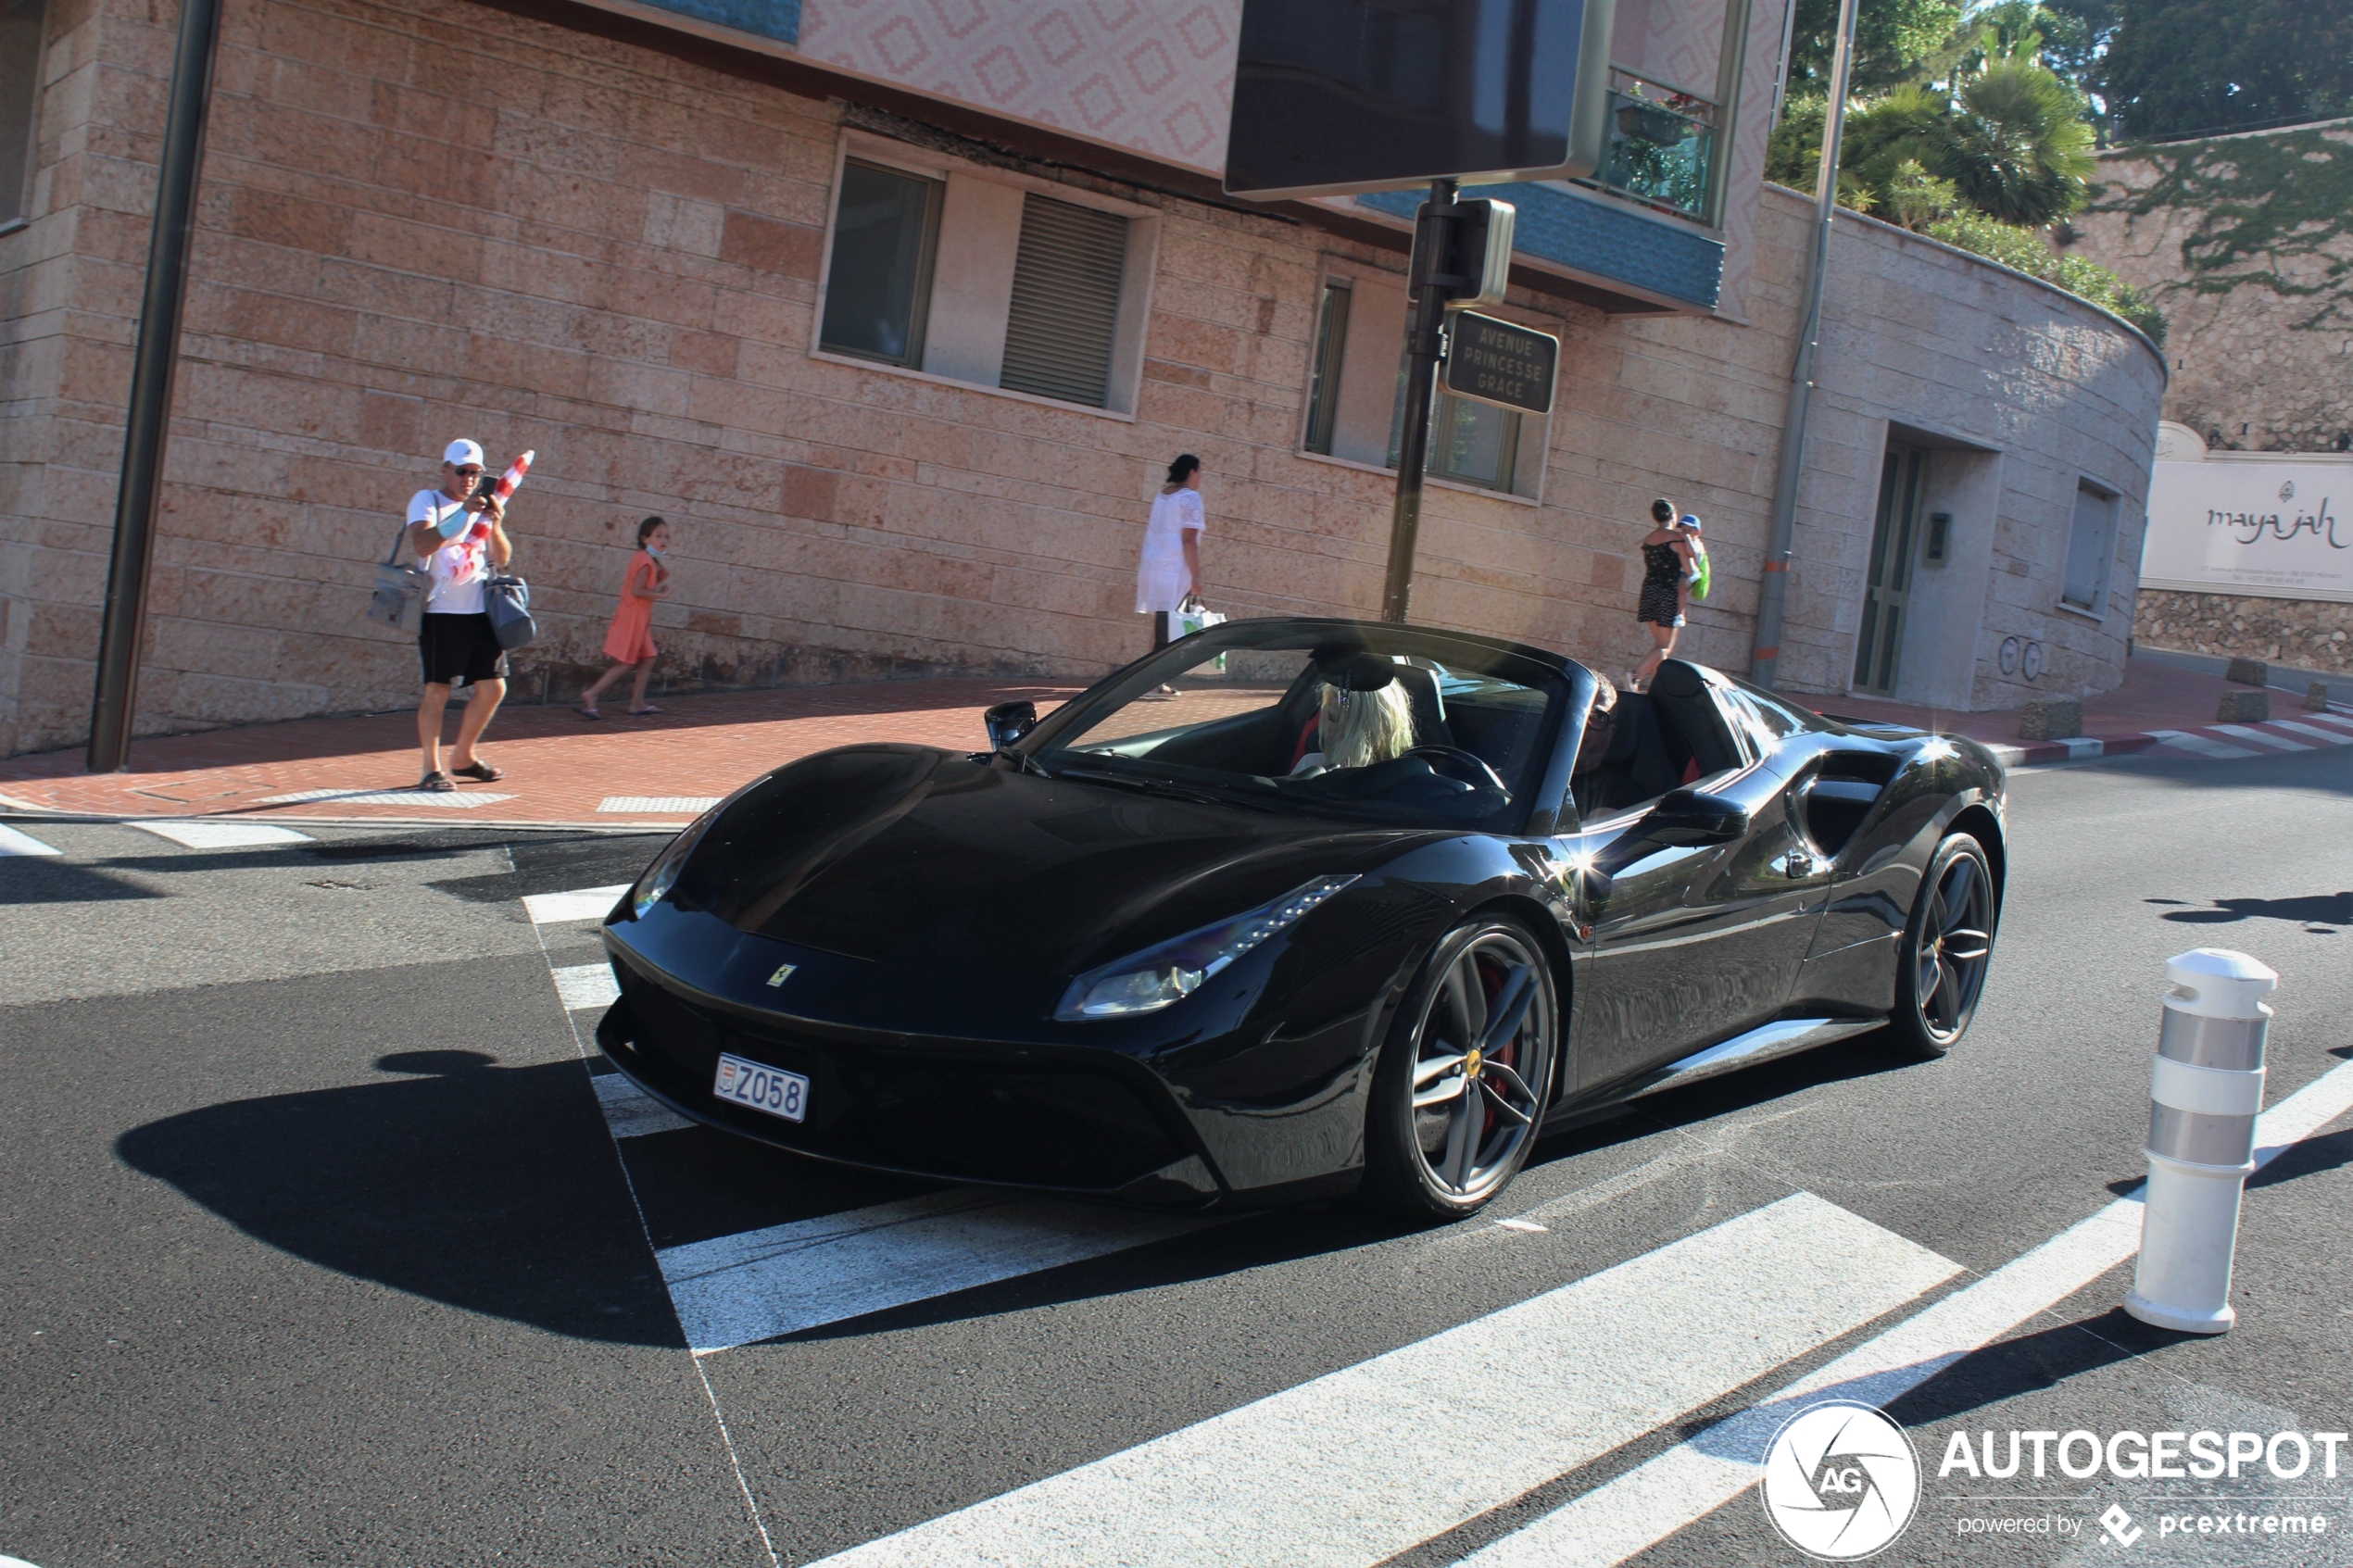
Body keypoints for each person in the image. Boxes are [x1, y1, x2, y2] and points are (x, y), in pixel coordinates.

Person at [406, 439, 511, 791]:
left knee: (494, 687)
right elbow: (422, 545)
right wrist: (465, 512)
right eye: (461, 471)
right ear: (445, 470)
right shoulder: (428, 500)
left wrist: (494, 524)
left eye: (475, 473)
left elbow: (504, 557)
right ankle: (429, 768)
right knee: (437, 689)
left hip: (479, 609)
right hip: (440, 610)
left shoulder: (485, 505)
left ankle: (463, 757)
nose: (468, 478)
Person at [577, 517, 673, 719]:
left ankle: (637, 703)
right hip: (633, 617)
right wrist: (661, 593)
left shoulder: (644, 558)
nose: (663, 540)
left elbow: (640, 587)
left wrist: (658, 579)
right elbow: (637, 591)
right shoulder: (646, 561)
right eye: (658, 536)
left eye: (665, 536)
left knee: (649, 657)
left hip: (638, 616)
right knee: (627, 661)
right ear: (645, 539)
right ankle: (592, 694)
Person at [1137, 453, 1205, 656]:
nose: (1201, 477)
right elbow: (1189, 540)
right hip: (1173, 569)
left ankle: (1153, 679)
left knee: (1161, 625)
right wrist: (1196, 576)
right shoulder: (1191, 498)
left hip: (1152, 566)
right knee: (1167, 629)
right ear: (1192, 472)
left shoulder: (1163, 495)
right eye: (1200, 472)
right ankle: (1153, 682)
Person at [1630, 497, 1698, 691]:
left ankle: (1656, 687)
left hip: (1649, 592)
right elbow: (1690, 570)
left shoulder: (1648, 539)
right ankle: (1634, 676)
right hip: (1667, 594)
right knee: (1664, 647)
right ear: (1672, 514)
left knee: (1659, 647)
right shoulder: (1677, 539)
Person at [1290, 675, 1415, 775]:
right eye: (1331, 718)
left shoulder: (1406, 778)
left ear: (1379, 728)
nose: (1333, 730)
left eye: (1350, 724)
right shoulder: (1310, 767)